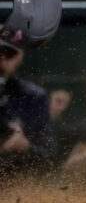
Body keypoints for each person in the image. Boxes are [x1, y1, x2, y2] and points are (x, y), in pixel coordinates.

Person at [0, 42, 58, 176]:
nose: (2, 62)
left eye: (8, 55)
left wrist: (25, 146)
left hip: (18, 183)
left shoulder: (33, 97)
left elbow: (51, 157)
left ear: (20, 55)